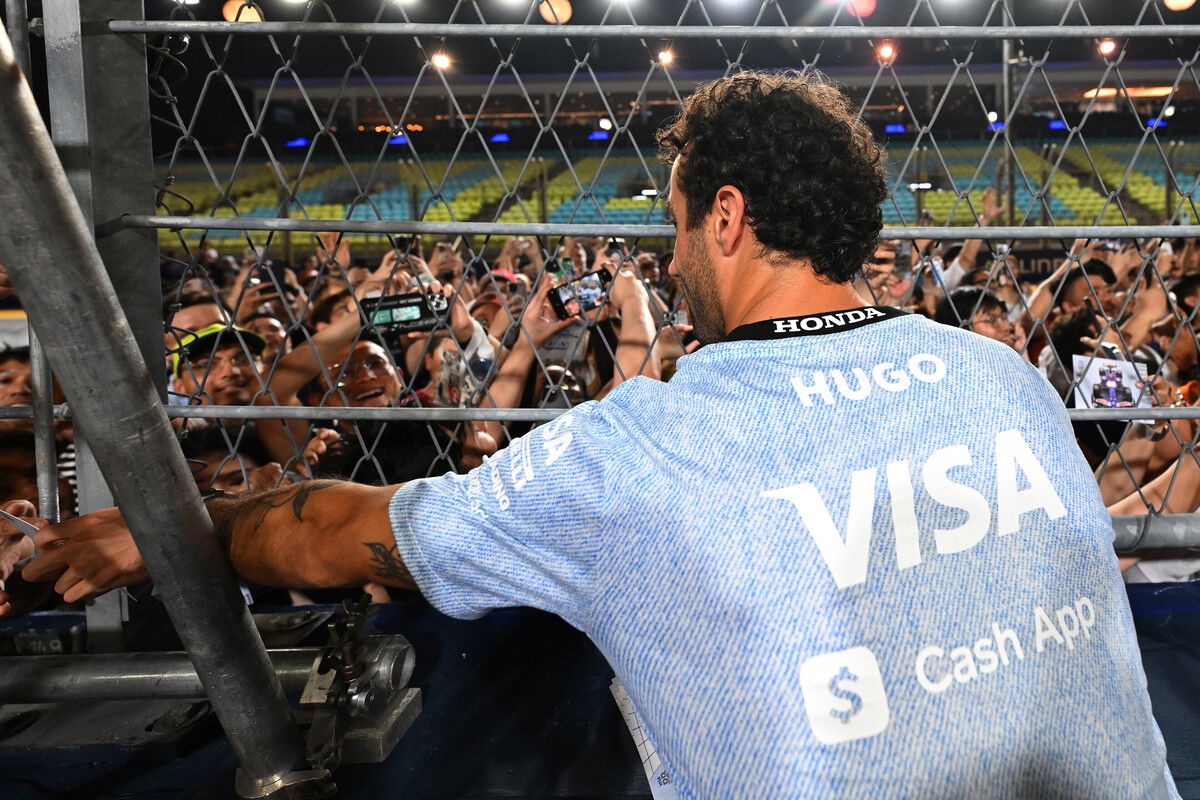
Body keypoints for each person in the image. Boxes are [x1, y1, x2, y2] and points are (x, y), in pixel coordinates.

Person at [11, 71, 1178, 798]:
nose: (670, 259)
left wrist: (177, 533)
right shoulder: (1000, 377)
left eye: (674, 224)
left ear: (725, 217)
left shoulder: (648, 443)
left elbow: (331, 535)